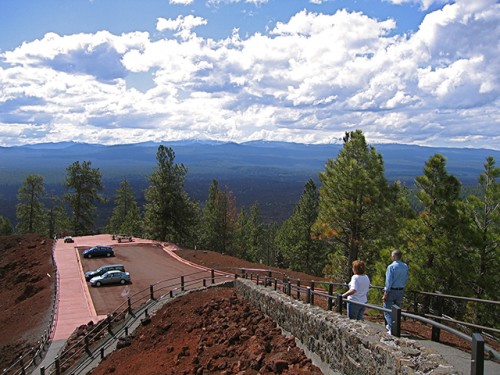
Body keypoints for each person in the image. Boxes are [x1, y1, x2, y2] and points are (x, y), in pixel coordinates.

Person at [383, 249, 409, 333]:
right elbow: (406, 278)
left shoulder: (391, 267)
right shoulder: (405, 266)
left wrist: (386, 292)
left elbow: (389, 281)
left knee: (387, 310)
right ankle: (395, 328)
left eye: (392, 255)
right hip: (400, 290)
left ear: (394, 256)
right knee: (397, 311)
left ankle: (392, 329)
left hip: (392, 290)